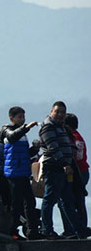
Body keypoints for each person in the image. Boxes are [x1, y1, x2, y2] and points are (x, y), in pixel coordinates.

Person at [38, 101, 81, 239]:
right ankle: (47, 230)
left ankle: (78, 230)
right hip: (54, 167)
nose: (60, 114)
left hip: (63, 169)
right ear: (51, 112)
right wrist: (64, 164)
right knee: (49, 199)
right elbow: (53, 147)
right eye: (57, 111)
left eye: (62, 112)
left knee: (68, 200)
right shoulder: (48, 127)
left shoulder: (61, 126)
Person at [2, 106, 42, 239]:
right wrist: (27, 127)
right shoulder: (7, 130)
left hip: (23, 172)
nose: (22, 119)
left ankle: (32, 231)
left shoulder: (23, 135)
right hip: (14, 172)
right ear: (12, 118)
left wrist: (35, 149)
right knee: (16, 203)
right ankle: (12, 231)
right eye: (19, 117)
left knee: (30, 202)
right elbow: (12, 137)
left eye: (23, 117)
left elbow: (26, 154)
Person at [65, 113, 90, 237]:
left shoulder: (75, 138)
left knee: (78, 201)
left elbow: (78, 157)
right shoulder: (76, 136)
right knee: (79, 201)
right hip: (82, 171)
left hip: (79, 172)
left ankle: (81, 228)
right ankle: (80, 228)